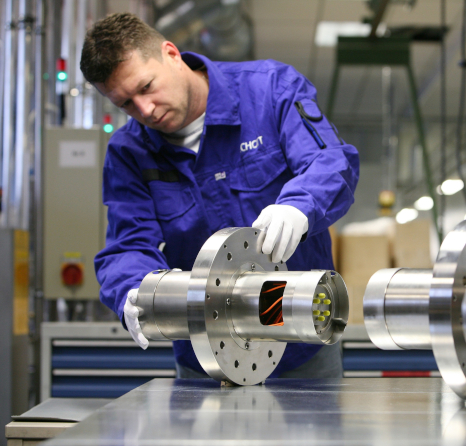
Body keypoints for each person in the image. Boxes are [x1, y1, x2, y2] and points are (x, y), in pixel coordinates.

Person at [80, 13, 359, 379]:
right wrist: (132, 290)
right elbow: (128, 244)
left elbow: (329, 161)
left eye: (146, 87)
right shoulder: (129, 152)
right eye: (126, 104)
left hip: (301, 346)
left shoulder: (269, 90)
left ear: (171, 54)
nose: (144, 110)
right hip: (206, 357)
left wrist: (299, 208)